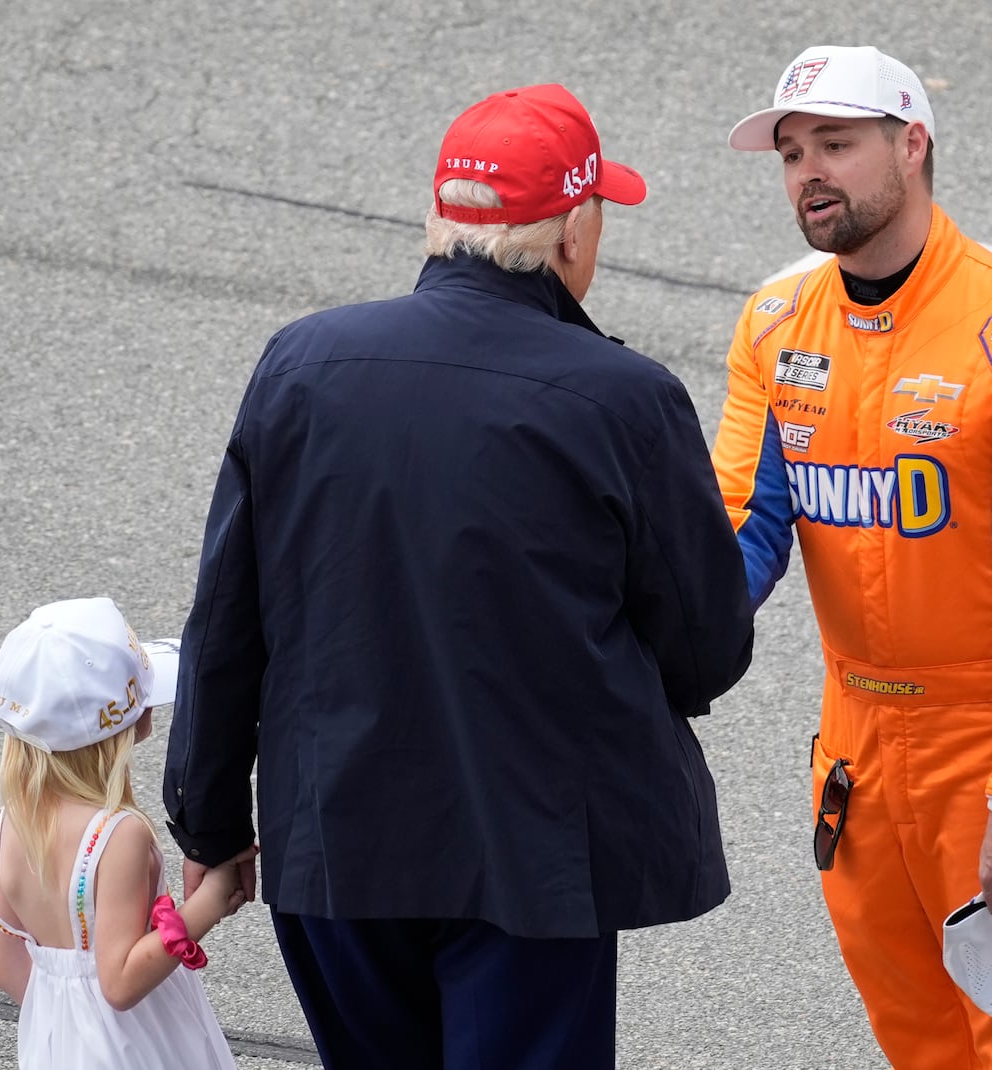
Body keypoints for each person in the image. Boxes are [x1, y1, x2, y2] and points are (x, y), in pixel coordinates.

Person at [163, 83, 755, 1069]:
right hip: (531, 856)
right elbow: (708, 641)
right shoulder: (622, 398)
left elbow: (228, 618)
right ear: (573, 231)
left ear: (441, 221)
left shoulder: (303, 365)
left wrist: (210, 814)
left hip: (337, 842)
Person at [712, 45, 992, 1070]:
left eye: (837, 145)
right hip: (854, 746)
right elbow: (739, 531)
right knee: (917, 1039)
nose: (809, 170)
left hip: (988, 747)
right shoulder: (775, 326)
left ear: (912, 144)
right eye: (791, 151)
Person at [0, 597, 255, 1069]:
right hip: (137, 1051)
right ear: (126, 721)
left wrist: (69, 1027)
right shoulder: (117, 835)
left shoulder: (15, 819)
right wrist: (212, 898)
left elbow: (2, 962)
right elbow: (122, 982)